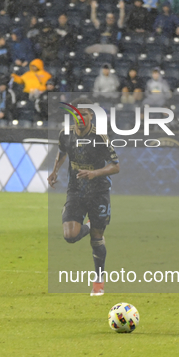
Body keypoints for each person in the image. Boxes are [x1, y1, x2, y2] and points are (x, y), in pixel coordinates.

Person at [47, 98, 120, 297]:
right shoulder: (66, 134)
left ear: (91, 116)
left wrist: (95, 173)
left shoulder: (100, 137)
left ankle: (98, 283)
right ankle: (87, 225)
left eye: (84, 114)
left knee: (97, 238)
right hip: (76, 190)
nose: (80, 118)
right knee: (70, 235)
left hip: (98, 192)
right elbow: (62, 152)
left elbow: (116, 166)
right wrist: (54, 172)